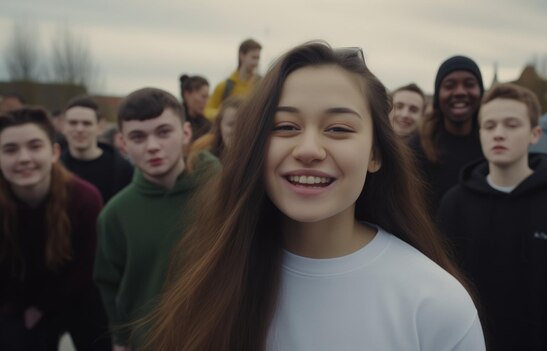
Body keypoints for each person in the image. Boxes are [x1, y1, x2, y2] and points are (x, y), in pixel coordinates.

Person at [144, 42, 485, 351]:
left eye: (338, 129)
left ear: (375, 154)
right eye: (285, 127)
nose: (308, 150)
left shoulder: (436, 303)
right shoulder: (211, 281)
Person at [438, 83, 547, 350]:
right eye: (490, 126)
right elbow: (443, 291)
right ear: (480, 134)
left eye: (512, 125)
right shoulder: (453, 205)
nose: (499, 134)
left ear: (535, 133)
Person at [93, 88, 220, 350]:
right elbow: (109, 286)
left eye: (163, 132)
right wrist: (120, 341)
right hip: (151, 342)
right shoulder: (114, 215)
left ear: (185, 133)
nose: (152, 146)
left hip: (218, 335)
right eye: (138, 137)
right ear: (123, 143)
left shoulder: (219, 192)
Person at [0, 107, 110, 350]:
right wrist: (21, 308)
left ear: (55, 152)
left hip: (77, 296)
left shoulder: (84, 198)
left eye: (35, 146)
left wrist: (42, 305)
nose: (24, 158)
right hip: (17, 301)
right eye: (10, 150)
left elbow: (86, 266)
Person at [410, 55, 485, 211]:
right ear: (438, 96)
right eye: (450, 85)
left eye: (469, 84)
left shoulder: (494, 144)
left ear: (481, 93)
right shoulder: (415, 149)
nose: (460, 92)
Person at [60, 96, 134, 203]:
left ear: (100, 127)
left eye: (87, 123)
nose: (79, 129)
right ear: (64, 127)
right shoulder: (53, 169)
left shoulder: (123, 170)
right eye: (73, 123)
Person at [205, 38, 262, 119]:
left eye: (258, 58)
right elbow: (207, 110)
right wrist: (224, 115)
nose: (256, 63)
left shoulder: (261, 85)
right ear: (242, 56)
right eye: (253, 57)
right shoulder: (224, 86)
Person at [187, 95, 243, 171]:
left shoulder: (259, 157)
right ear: (219, 125)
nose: (237, 130)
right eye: (231, 124)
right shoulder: (202, 156)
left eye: (243, 124)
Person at [179, 74, 210, 140]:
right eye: (203, 97)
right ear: (187, 94)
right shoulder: (176, 122)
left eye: (207, 97)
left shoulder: (208, 126)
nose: (206, 102)